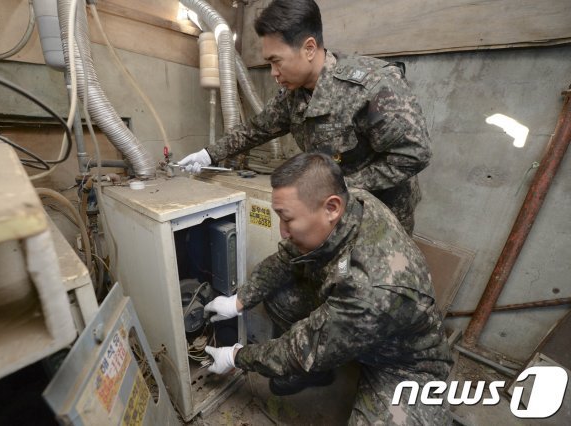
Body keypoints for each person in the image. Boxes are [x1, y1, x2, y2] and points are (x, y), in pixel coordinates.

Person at [203, 153, 453, 424]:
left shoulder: (371, 286)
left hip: (403, 364)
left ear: (331, 208)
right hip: (358, 320)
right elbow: (286, 257)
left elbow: (299, 350)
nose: (283, 231)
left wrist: (235, 356)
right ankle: (319, 370)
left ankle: (326, 362)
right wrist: (240, 300)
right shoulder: (353, 199)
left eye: (287, 219)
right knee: (281, 298)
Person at [179, 0, 432, 234]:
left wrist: (339, 186)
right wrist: (209, 154)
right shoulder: (293, 95)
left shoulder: (373, 86)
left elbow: (414, 154)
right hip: (332, 211)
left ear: (309, 48)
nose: (273, 73)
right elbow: (255, 130)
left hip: (382, 213)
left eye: (276, 61)